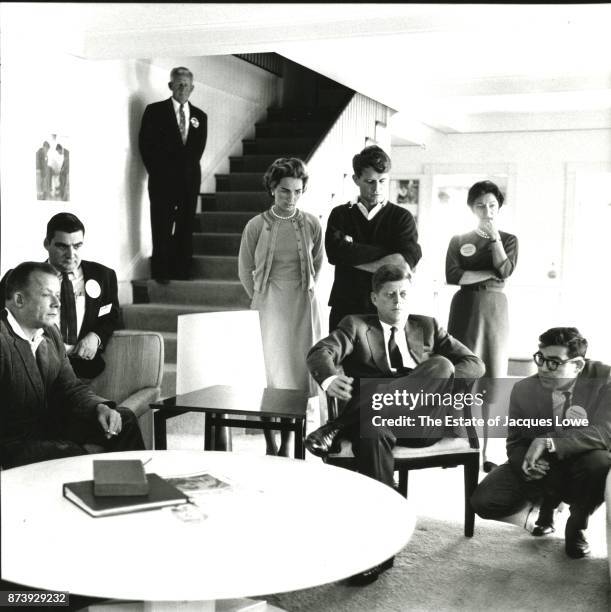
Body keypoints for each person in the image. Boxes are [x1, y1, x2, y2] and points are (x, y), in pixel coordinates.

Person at [305, 263, 484, 585]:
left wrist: (433, 380)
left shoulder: (428, 326)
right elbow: (323, 351)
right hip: (377, 421)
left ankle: (339, 426)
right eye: (389, 295)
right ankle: (380, 550)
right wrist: (330, 377)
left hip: (422, 421)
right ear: (374, 298)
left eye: (403, 294)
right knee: (371, 429)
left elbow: (474, 364)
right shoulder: (356, 326)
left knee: (442, 364)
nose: (398, 301)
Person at [471, 327, 611, 559]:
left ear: (577, 365)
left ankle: (576, 526)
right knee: (483, 501)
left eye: (554, 362)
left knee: (601, 462)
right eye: (541, 359)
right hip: (546, 465)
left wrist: (549, 441)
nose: (544, 368)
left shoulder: (604, 378)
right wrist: (524, 464)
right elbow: (515, 442)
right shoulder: (524, 389)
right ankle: (544, 505)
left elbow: (606, 431)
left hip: (586, 462)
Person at [0, 262, 144, 469]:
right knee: (74, 453)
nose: (57, 303)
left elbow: (70, 387)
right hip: (13, 442)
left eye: (57, 294)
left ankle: (134, 491)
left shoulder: (50, 332)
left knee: (123, 419)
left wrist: (99, 407)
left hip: (47, 426)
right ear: (19, 300)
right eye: (46, 295)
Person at [238, 158, 323, 456]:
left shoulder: (312, 223)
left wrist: (304, 292)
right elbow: (244, 268)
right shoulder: (256, 225)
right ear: (273, 189)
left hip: (301, 306)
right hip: (268, 307)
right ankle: (269, 442)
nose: (292, 198)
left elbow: (318, 264)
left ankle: (290, 442)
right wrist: (261, 299)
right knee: (269, 375)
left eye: (298, 191)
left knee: (297, 373)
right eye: (285, 191)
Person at [445, 180, 518, 472]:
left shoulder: (509, 239)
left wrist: (495, 240)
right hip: (464, 307)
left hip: (495, 311)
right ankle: (459, 443)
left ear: (498, 208)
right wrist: (490, 272)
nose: (486, 211)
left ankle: (487, 451)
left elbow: (507, 270)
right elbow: (453, 276)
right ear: (471, 208)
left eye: (492, 205)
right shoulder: (458, 238)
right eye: (480, 205)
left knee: (492, 380)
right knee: (462, 374)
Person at [0, 213, 121, 379]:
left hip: (85, 369)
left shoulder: (104, 276)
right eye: (62, 246)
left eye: (77, 246)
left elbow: (112, 314)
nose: (71, 255)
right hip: (35, 370)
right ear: (46, 244)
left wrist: (96, 336)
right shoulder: (21, 278)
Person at [325, 145, 422, 331]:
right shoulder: (340, 214)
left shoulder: (401, 217)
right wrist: (386, 252)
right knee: (340, 359)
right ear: (356, 179)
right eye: (370, 181)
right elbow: (333, 254)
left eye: (382, 181)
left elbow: (401, 265)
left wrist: (349, 256)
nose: (377, 188)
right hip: (345, 306)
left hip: (386, 309)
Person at [139, 66, 208, 283]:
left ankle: (182, 270)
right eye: (178, 84)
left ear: (192, 88)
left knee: (185, 226)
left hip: (189, 181)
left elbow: (198, 149)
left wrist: (185, 173)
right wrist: (160, 173)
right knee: (161, 224)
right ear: (170, 86)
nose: (182, 88)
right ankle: (161, 272)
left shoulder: (200, 116)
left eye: (186, 85)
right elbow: (145, 146)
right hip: (162, 181)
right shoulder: (154, 111)